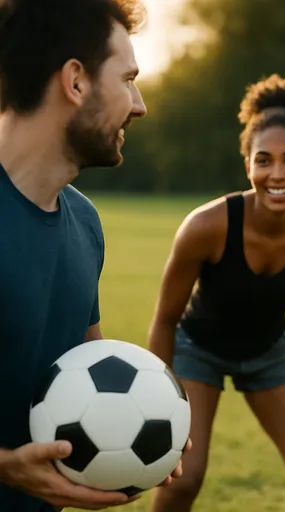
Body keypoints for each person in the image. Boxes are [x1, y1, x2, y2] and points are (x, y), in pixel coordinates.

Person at [0, 1, 187, 511]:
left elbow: (85, 363)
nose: (140, 103)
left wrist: (150, 419)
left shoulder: (84, 221)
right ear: (76, 82)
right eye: (127, 79)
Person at [147, 71, 285, 512]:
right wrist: (161, 404)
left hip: (269, 351)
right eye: (265, 160)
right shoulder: (206, 227)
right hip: (196, 348)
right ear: (248, 165)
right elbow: (164, 318)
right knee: (182, 479)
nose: (278, 173)